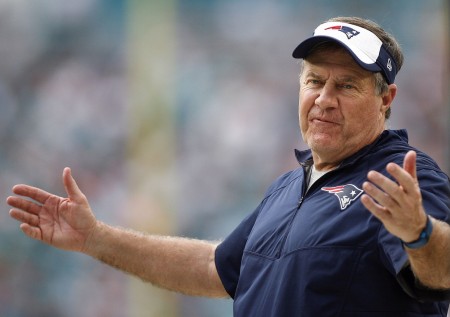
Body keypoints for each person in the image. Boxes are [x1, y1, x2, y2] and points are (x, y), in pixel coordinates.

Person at [7, 16, 450, 316]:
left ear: (386, 100)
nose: (324, 99)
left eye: (347, 85)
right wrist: (95, 238)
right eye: (314, 81)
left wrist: (420, 232)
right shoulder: (287, 188)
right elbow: (212, 269)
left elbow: (441, 271)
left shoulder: (402, 176)